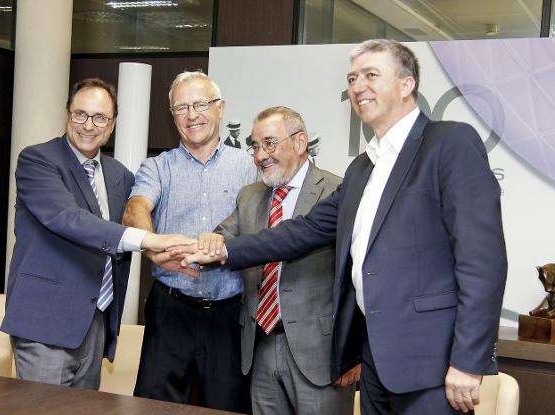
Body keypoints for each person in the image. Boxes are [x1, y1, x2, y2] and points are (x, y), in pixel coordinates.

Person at [181, 39, 507, 414]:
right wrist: (223, 249)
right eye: (352, 78)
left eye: (371, 75)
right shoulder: (361, 170)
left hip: (432, 364)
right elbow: (301, 231)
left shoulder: (449, 143)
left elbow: (483, 262)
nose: (357, 86)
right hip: (374, 364)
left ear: (407, 84)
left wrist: (468, 360)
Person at [1, 78, 192, 390]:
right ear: (67, 114)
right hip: (45, 325)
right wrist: (148, 241)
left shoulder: (121, 176)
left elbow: (132, 225)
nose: (89, 125)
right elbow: (69, 219)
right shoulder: (38, 160)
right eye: (80, 114)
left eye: (100, 117)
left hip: (96, 321)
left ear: (113, 123)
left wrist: (162, 254)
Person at [123, 71, 257, 412]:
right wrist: (153, 247)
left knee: (226, 407)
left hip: (230, 314)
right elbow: (136, 208)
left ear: (221, 108)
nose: (192, 114)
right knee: (155, 407)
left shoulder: (249, 167)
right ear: (173, 117)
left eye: (200, 104)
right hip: (171, 310)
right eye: (182, 107)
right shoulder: (157, 167)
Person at [213, 106, 358, 414]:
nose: (260, 155)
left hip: (320, 354)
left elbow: (356, 277)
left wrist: (353, 351)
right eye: (254, 146)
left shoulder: (338, 190)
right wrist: (182, 246)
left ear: (300, 142)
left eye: (269, 143)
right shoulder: (250, 195)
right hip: (261, 345)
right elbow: (220, 240)